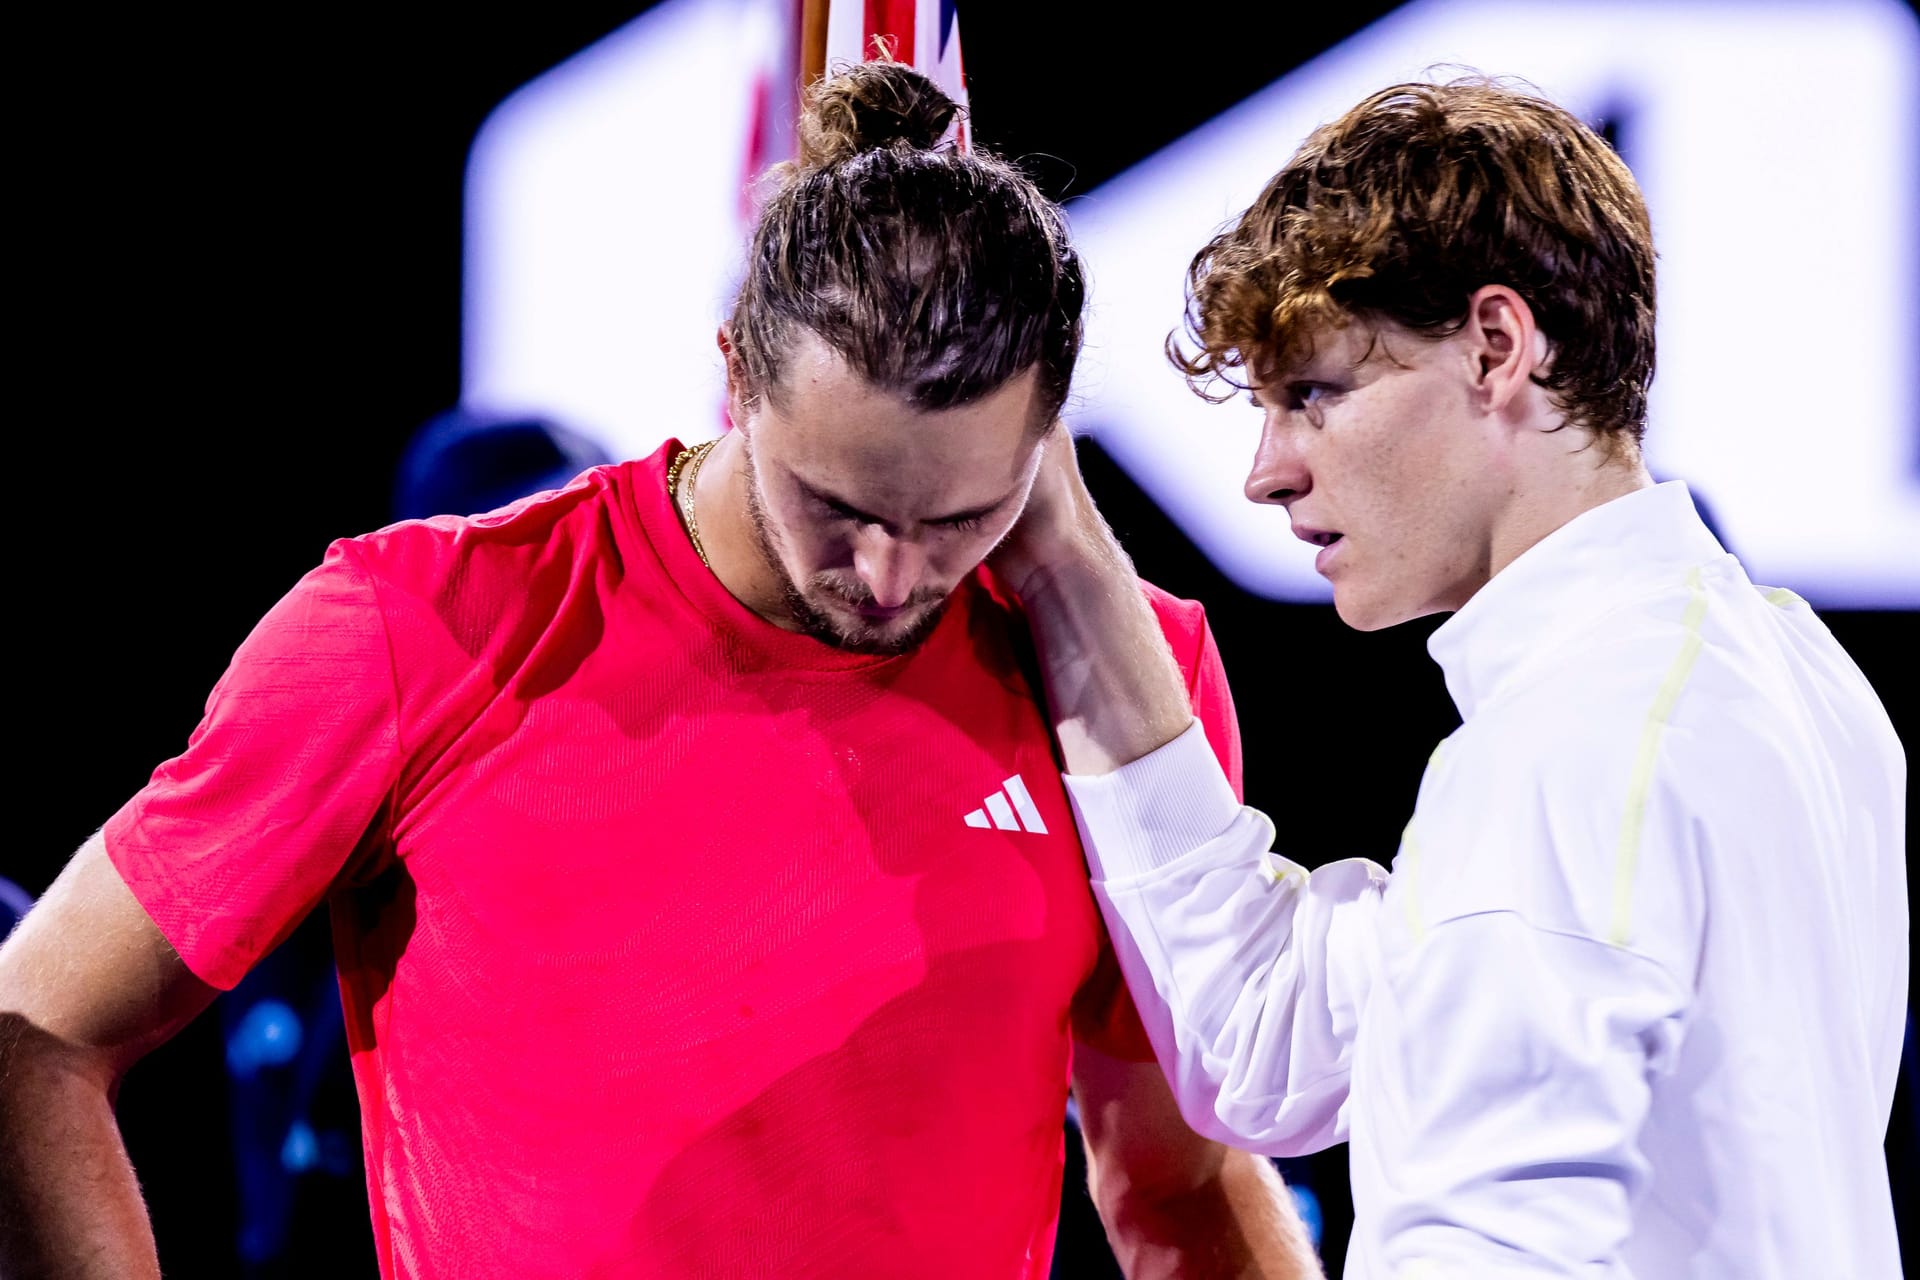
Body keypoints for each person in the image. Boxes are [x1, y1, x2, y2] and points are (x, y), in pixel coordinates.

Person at [0, 64, 1320, 1280]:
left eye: (962, 518)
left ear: (1050, 438)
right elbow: (36, 1031)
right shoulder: (425, 623)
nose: (891, 576)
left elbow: (1179, 1181)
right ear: (737, 371)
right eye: (840, 503)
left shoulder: (1129, 683)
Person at [993, 78, 1908, 1276]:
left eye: (1314, 394)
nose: (1266, 473)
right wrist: (1064, 554)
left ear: (1495, 346)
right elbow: (1267, 1040)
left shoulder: (1576, 749)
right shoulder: (1768, 672)